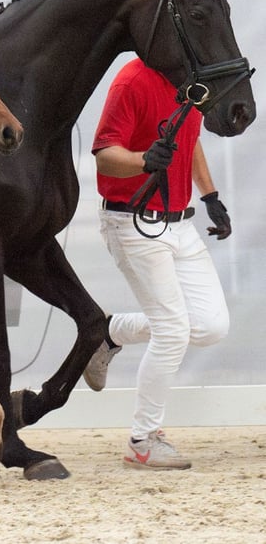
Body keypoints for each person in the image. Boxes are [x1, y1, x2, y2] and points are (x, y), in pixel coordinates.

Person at [84, 57, 232, 470]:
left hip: (181, 223)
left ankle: (109, 332)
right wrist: (143, 160)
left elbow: (191, 139)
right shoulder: (131, 80)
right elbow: (104, 155)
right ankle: (142, 440)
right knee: (172, 330)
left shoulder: (190, 78)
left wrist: (210, 196)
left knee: (211, 326)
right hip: (132, 222)